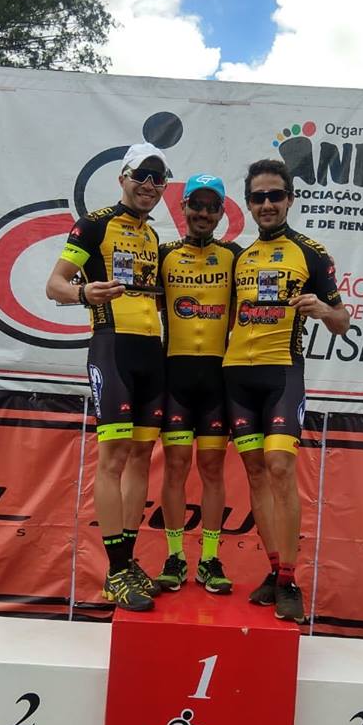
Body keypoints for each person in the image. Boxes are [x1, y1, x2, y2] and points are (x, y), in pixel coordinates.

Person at [222, 159, 349, 622]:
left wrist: (323, 310)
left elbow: (342, 321)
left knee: (279, 466)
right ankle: (274, 571)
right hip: (236, 376)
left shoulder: (311, 253)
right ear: (249, 203)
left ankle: (290, 579)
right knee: (256, 474)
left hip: (282, 373)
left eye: (275, 195)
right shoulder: (239, 257)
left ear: (290, 199)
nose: (267, 204)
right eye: (258, 197)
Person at [45, 142, 170, 612]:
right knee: (113, 458)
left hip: (152, 354)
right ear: (123, 178)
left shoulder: (154, 237)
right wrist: (83, 295)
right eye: (142, 176)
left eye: (158, 179)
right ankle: (115, 571)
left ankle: (128, 562)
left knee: (142, 457)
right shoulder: (94, 224)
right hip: (112, 348)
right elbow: (54, 285)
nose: (149, 186)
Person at [155, 174, 241, 595]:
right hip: (175, 377)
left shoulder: (234, 257)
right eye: (196, 205)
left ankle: (209, 559)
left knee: (211, 469)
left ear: (222, 213)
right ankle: (174, 557)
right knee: (174, 467)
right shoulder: (164, 255)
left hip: (216, 382)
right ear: (183, 207)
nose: (203, 213)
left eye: (212, 207)